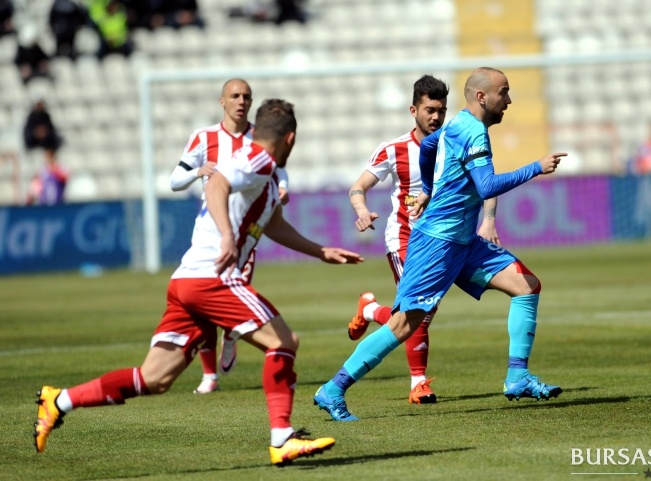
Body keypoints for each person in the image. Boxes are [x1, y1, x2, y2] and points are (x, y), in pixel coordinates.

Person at [34, 98, 364, 466]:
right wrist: (227, 236)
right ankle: (282, 438)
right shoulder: (258, 160)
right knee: (283, 341)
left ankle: (58, 400)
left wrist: (321, 251)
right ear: (291, 138)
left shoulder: (266, 174)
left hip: (187, 280)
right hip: (212, 276)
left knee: (155, 378)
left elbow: (274, 226)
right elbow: (216, 184)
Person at [313, 67, 567, 421]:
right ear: (482, 97)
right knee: (405, 324)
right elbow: (487, 186)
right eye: (504, 92)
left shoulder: (457, 123)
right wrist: (536, 167)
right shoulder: (472, 130)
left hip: (463, 242)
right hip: (437, 243)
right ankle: (333, 389)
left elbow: (430, 147)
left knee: (526, 285)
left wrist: (429, 190)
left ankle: (518, 377)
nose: (509, 100)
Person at [347, 74, 499, 405]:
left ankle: (370, 310)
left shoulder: (456, 140)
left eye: (441, 110)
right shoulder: (393, 149)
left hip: (443, 241)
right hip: (405, 239)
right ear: (413, 110)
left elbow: (484, 180)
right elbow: (358, 187)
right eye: (430, 110)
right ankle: (418, 383)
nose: (436, 117)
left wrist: (488, 219)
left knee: (417, 312)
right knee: (419, 311)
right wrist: (362, 210)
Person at [171, 78, 290, 394]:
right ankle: (210, 375)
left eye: (246, 96)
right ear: (222, 101)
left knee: (227, 291)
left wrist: (283, 187)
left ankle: (232, 333)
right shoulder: (204, 137)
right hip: (210, 228)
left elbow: (278, 169)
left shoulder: (259, 136)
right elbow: (175, 180)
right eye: (235, 96)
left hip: (243, 228)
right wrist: (197, 171)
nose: (241, 101)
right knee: (206, 301)